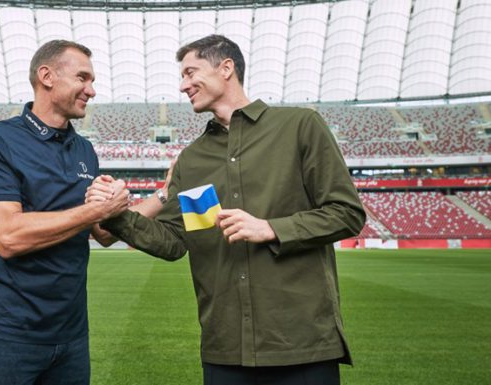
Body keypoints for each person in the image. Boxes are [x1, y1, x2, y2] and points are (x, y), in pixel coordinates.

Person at [91, 35, 366, 385]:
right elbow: (176, 241)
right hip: (225, 346)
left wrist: (271, 228)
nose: (182, 85)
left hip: (302, 341)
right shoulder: (193, 159)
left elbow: (346, 213)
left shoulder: (299, 127)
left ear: (226, 68)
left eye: (191, 72)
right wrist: (115, 213)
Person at [0, 40, 169, 385]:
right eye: (83, 78)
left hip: (71, 335)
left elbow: (103, 233)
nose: (92, 90)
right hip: (6, 334)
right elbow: (8, 236)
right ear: (46, 76)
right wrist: (94, 210)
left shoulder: (84, 149)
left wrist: (165, 194)